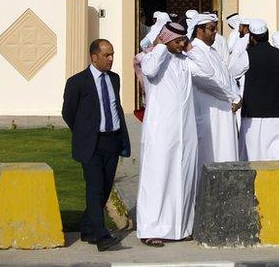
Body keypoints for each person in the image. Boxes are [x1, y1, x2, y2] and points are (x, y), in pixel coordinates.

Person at [136, 21, 213, 247]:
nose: (181, 44)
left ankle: (180, 228)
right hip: (161, 132)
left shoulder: (184, 61)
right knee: (159, 178)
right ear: (167, 39)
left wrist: (189, 49)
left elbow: (207, 71)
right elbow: (149, 71)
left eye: (183, 40)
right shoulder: (152, 57)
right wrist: (161, 45)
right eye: (178, 41)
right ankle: (151, 228)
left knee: (183, 178)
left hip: (185, 133)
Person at [61, 39, 130, 252]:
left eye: (112, 55)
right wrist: (84, 133)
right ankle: (101, 235)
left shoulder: (114, 79)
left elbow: (115, 107)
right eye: (106, 55)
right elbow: (68, 112)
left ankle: (88, 228)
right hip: (91, 143)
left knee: (105, 187)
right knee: (94, 187)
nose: (111, 59)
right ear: (94, 57)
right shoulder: (77, 82)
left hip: (112, 140)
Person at [186, 13, 241, 166]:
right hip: (210, 113)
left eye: (215, 29)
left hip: (226, 110)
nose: (215, 33)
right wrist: (233, 97)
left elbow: (227, 77)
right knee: (212, 156)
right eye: (211, 29)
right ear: (199, 30)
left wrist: (237, 96)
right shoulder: (194, 52)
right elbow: (207, 81)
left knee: (227, 154)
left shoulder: (212, 51)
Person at [238, 19, 279, 161]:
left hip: (253, 114)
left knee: (255, 156)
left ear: (251, 37)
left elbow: (232, 73)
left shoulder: (247, 55)